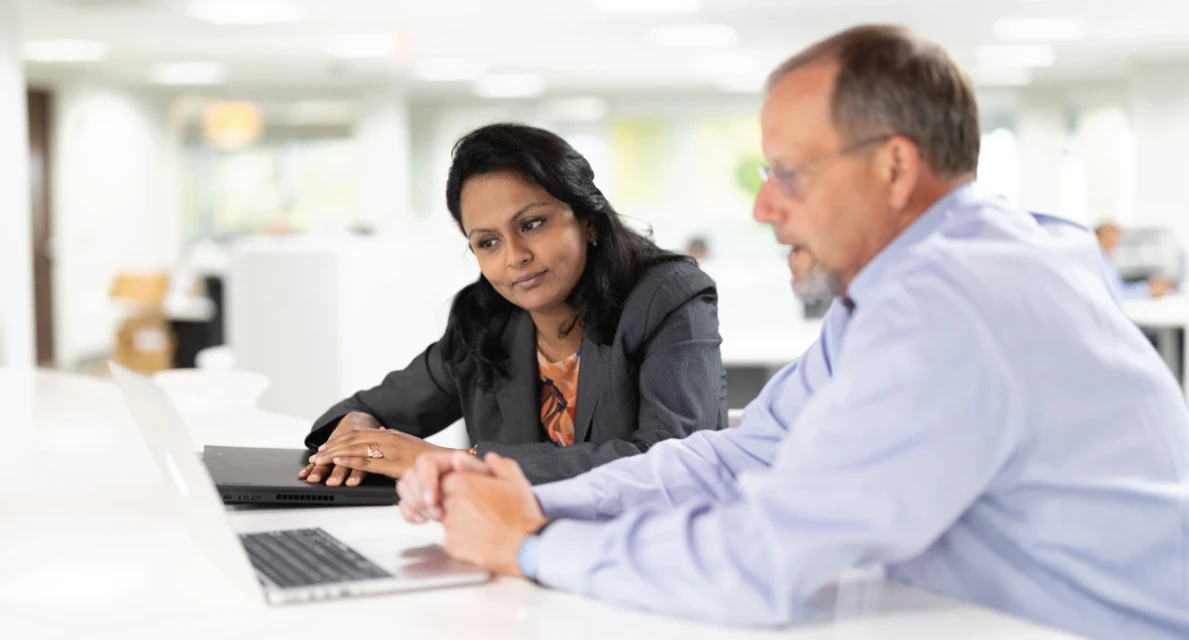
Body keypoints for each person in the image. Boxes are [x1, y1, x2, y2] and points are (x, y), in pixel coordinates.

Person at [397, 25, 1189, 639]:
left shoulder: (953, 301)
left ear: (893, 167)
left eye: (787, 174)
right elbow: (746, 453)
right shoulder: (911, 286)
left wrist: (530, 547)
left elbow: (763, 560)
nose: (762, 207)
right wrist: (535, 496)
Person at [300, 123, 728, 486]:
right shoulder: (486, 320)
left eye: (532, 224)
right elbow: (365, 408)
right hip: (510, 554)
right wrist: (356, 429)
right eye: (487, 242)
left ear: (588, 220)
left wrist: (454, 463)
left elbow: (676, 464)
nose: (514, 255)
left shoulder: (668, 297)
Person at [1095, 221, 1175, 299]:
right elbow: (1116, 294)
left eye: (1116, 241)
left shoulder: (1105, 260)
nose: (1114, 245)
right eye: (1111, 239)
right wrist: (1148, 290)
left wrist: (1148, 287)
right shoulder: (1097, 260)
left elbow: (1119, 288)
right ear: (1099, 236)